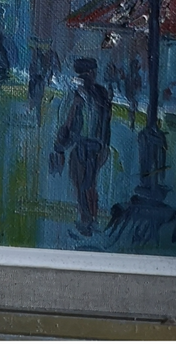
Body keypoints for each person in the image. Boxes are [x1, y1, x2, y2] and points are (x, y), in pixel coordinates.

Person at [49, 58, 112, 236]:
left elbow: (67, 122)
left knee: (83, 184)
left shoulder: (81, 95)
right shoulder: (98, 94)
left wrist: (60, 145)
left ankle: (87, 220)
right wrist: (104, 145)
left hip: (86, 145)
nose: (91, 76)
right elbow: (104, 122)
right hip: (92, 145)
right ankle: (90, 219)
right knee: (87, 184)